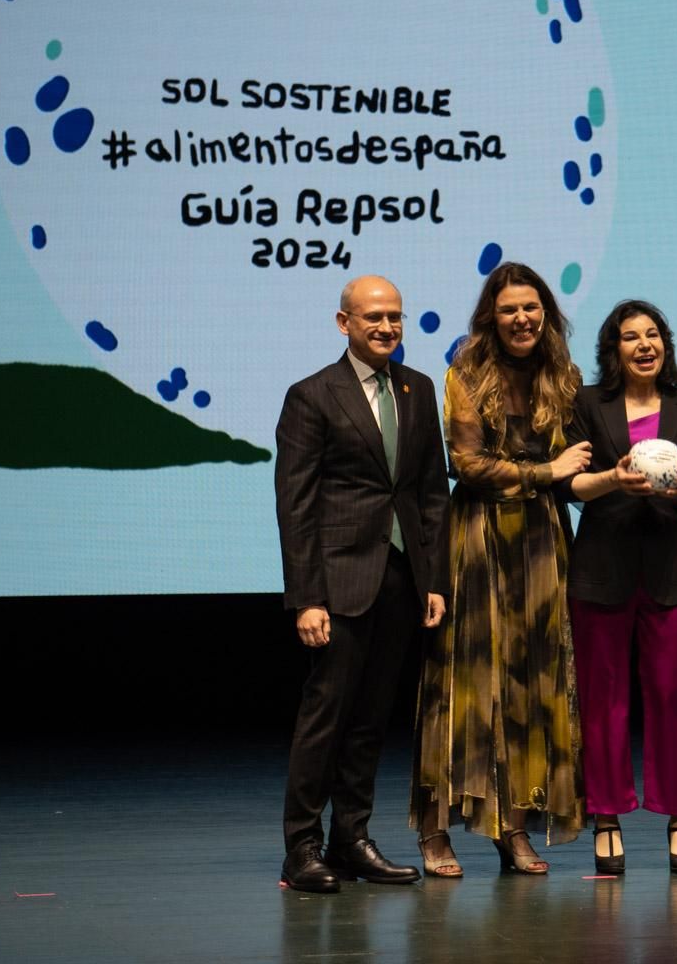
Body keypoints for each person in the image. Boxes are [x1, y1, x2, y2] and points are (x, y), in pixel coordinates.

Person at [410, 262, 590, 876]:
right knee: (464, 685)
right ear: (492, 315)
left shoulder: (562, 374)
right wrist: (547, 472)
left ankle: (512, 827)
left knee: (531, 685)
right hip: (478, 539)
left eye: (532, 308)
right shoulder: (467, 372)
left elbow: (577, 464)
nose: (522, 318)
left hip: (542, 541)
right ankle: (435, 831)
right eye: (510, 308)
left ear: (546, 313)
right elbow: (467, 462)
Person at [274, 274, 450, 894]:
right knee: (327, 715)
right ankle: (302, 848)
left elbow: (430, 491)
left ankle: (352, 838)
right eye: (373, 317)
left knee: (373, 719)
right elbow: (295, 505)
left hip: (402, 581)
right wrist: (307, 597)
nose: (386, 327)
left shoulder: (418, 389)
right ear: (343, 322)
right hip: (340, 582)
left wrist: (433, 579)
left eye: (395, 317)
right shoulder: (313, 395)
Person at [560, 300, 677, 875]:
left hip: (669, 570)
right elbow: (570, 485)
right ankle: (606, 815)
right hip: (600, 569)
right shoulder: (586, 404)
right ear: (614, 350)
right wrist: (613, 479)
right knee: (604, 700)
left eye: (654, 334)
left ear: (665, 345)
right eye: (631, 337)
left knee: (674, 696)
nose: (644, 344)